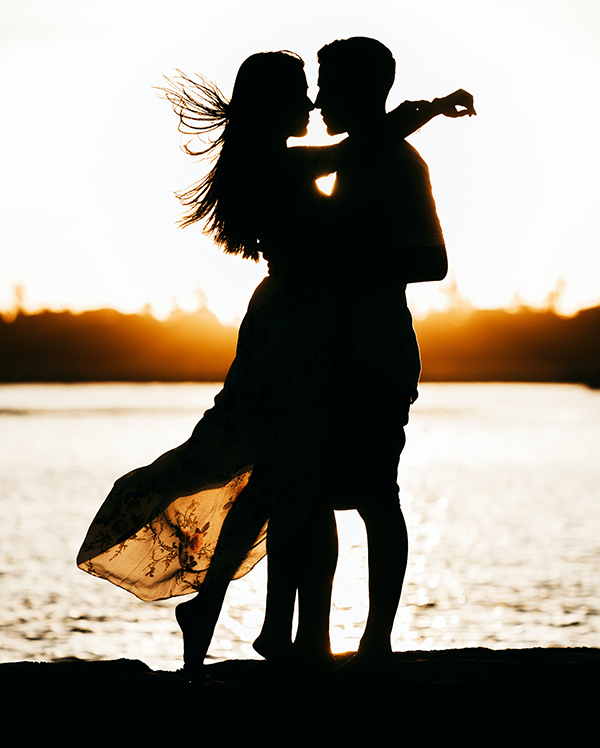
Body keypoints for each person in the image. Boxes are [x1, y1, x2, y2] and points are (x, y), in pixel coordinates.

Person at [76, 49, 473, 673]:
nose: (314, 104)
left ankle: (259, 623)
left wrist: (422, 114)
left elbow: (378, 189)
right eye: (303, 93)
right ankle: (263, 623)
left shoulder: (286, 162)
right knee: (287, 477)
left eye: (322, 89)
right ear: (274, 105)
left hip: (303, 327)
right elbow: (353, 154)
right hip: (296, 331)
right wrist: (428, 111)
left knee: (286, 477)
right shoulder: (285, 166)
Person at [255, 37, 475, 673]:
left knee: (376, 493)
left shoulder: (397, 164)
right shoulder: (355, 159)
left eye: (329, 85)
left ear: (361, 89)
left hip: (374, 354)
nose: (320, 99)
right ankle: (312, 641)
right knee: (317, 491)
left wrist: (338, 264)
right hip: (328, 351)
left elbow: (430, 262)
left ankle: (376, 640)